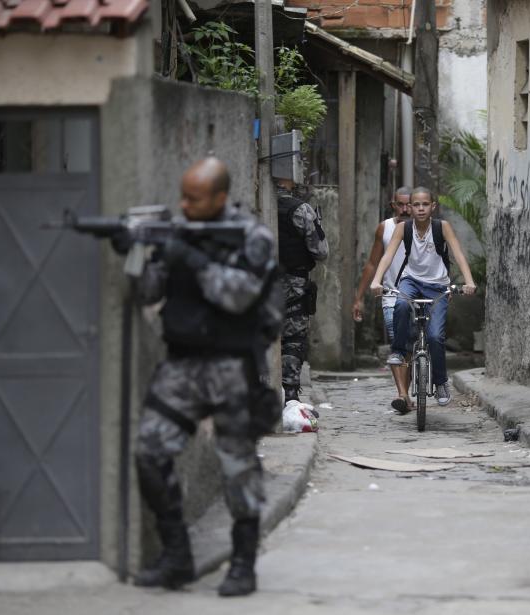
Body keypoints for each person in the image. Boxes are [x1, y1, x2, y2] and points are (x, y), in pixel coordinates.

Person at [129, 157, 279, 597]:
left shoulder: (253, 237)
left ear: (218, 197)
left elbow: (239, 296)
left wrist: (189, 258)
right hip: (182, 365)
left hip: (233, 367)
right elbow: (147, 292)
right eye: (182, 197)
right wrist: (138, 252)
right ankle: (177, 555)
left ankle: (244, 563)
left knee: (238, 467)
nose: (184, 205)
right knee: (149, 453)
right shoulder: (179, 231)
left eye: (193, 199)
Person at [369, 187, 477, 408]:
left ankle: (440, 383)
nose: (420, 209)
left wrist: (469, 282)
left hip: (437, 286)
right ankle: (398, 352)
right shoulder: (403, 228)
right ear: (410, 207)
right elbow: (387, 256)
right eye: (416, 205)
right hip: (411, 281)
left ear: (433, 207)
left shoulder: (441, 227)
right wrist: (377, 280)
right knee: (400, 304)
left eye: (425, 204)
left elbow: (458, 253)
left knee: (435, 336)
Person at [352, 187, 414, 413]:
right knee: (398, 341)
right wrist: (359, 298)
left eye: (410, 204)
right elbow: (372, 263)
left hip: (419, 295)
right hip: (391, 295)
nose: (406, 209)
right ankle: (402, 394)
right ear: (393, 205)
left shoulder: (424, 227)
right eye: (401, 204)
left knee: (410, 347)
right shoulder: (385, 228)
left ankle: (406, 392)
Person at [275, 177, 329, 403]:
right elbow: (321, 251)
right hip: (292, 283)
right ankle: (289, 394)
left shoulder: (249, 203)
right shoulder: (300, 210)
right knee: (293, 338)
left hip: (256, 281)